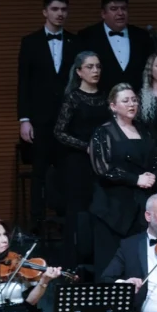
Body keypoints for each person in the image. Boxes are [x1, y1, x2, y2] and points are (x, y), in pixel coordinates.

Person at [90, 83, 157, 274]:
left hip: (141, 205)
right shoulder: (103, 132)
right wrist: (136, 179)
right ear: (113, 106)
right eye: (125, 101)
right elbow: (102, 168)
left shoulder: (145, 129)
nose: (132, 104)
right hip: (113, 208)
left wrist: (151, 176)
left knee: (139, 263)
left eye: (134, 100)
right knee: (112, 265)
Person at [17, 0, 77, 231]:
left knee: (66, 171)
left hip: (69, 120)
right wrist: (24, 119)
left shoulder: (75, 42)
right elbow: (23, 83)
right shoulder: (29, 42)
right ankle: (36, 224)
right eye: (55, 9)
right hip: (40, 121)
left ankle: (65, 222)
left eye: (63, 9)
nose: (60, 13)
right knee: (39, 172)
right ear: (45, 12)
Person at [54, 51, 110, 269]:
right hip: (78, 163)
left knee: (100, 208)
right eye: (89, 67)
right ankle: (73, 265)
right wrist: (85, 146)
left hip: (103, 161)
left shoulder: (106, 96)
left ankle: (98, 261)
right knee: (78, 212)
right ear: (79, 72)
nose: (95, 71)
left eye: (97, 66)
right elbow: (59, 132)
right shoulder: (73, 97)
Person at [77, 0, 152, 93]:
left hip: (135, 99)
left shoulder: (142, 36)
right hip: (100, 99)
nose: (120, 13)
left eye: (124, 8)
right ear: (103, 13)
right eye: (114, 9)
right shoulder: (87, 36)